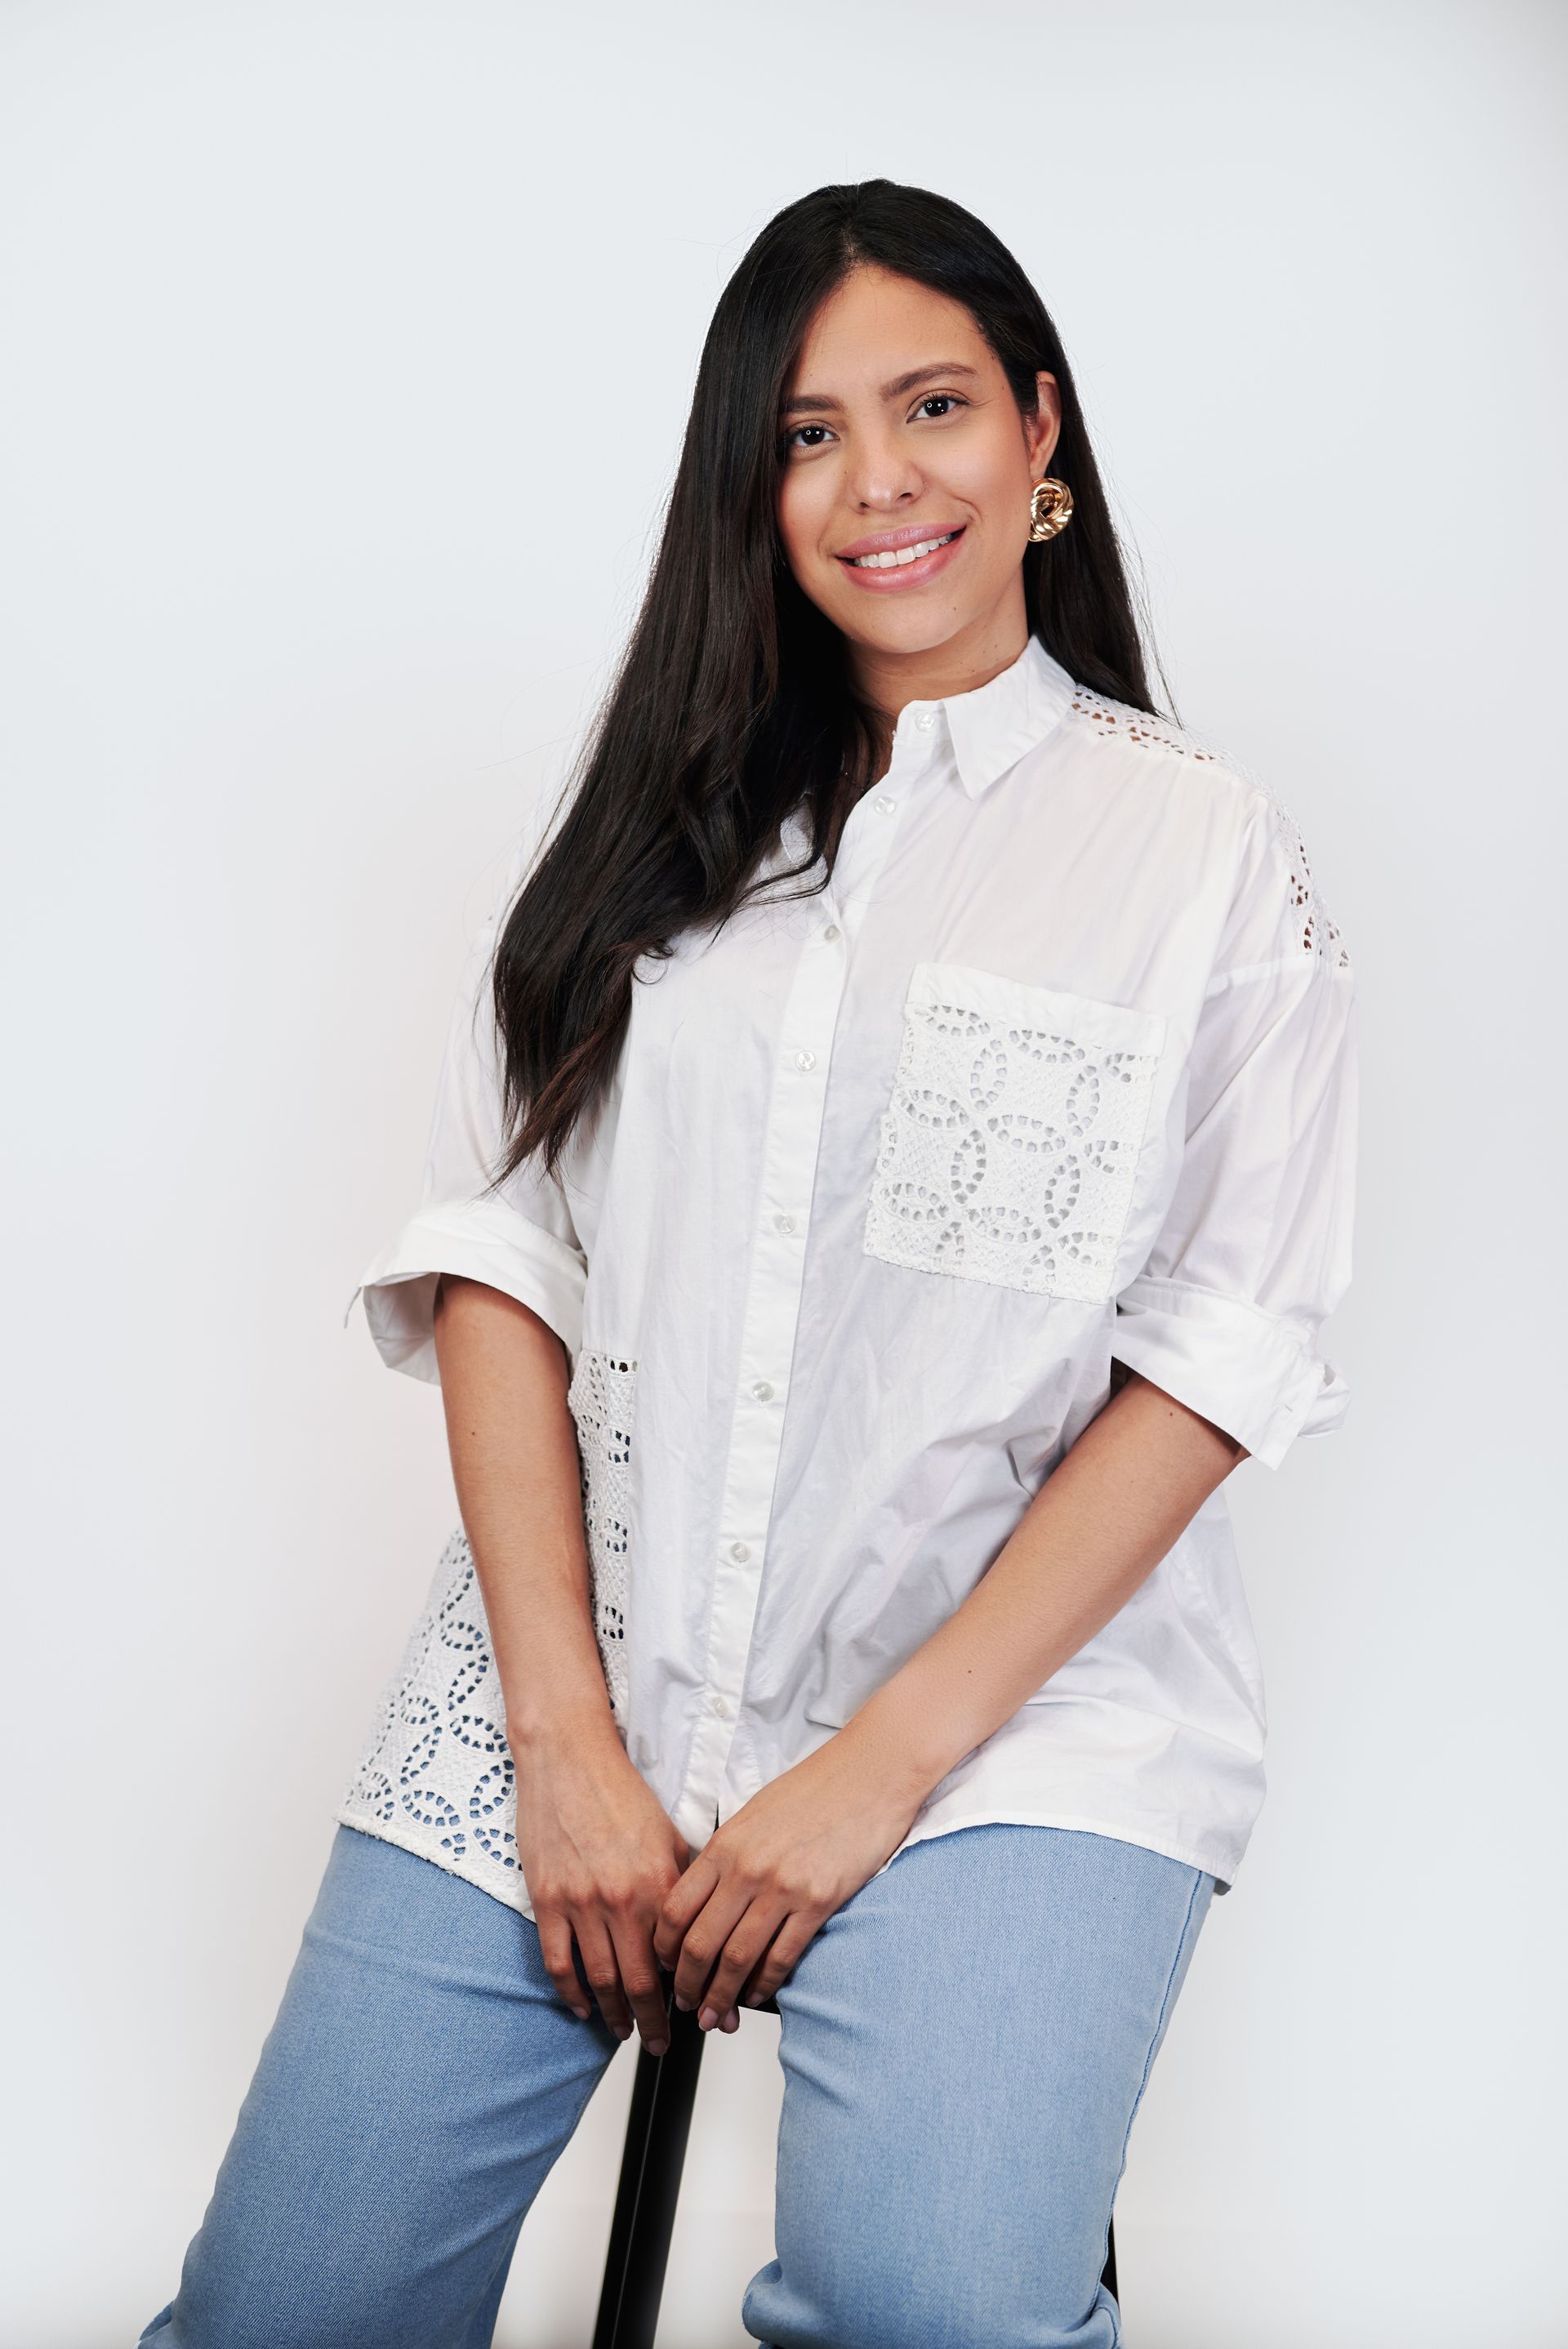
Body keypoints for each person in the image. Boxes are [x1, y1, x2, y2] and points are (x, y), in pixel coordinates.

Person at [139, 178, 1358, 2349]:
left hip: (1014, 1732)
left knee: (929, 2308)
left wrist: (873, 1770)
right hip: (580, 1687)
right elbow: (502, 1252)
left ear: (1041, 436)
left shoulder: (1199, 854)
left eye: (933, 407)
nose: (879, 479)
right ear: (749, 486)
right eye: (806, 433)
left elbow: (1214, 1359)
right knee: (281, 2316)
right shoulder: (650, 826)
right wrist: (561, 1738)